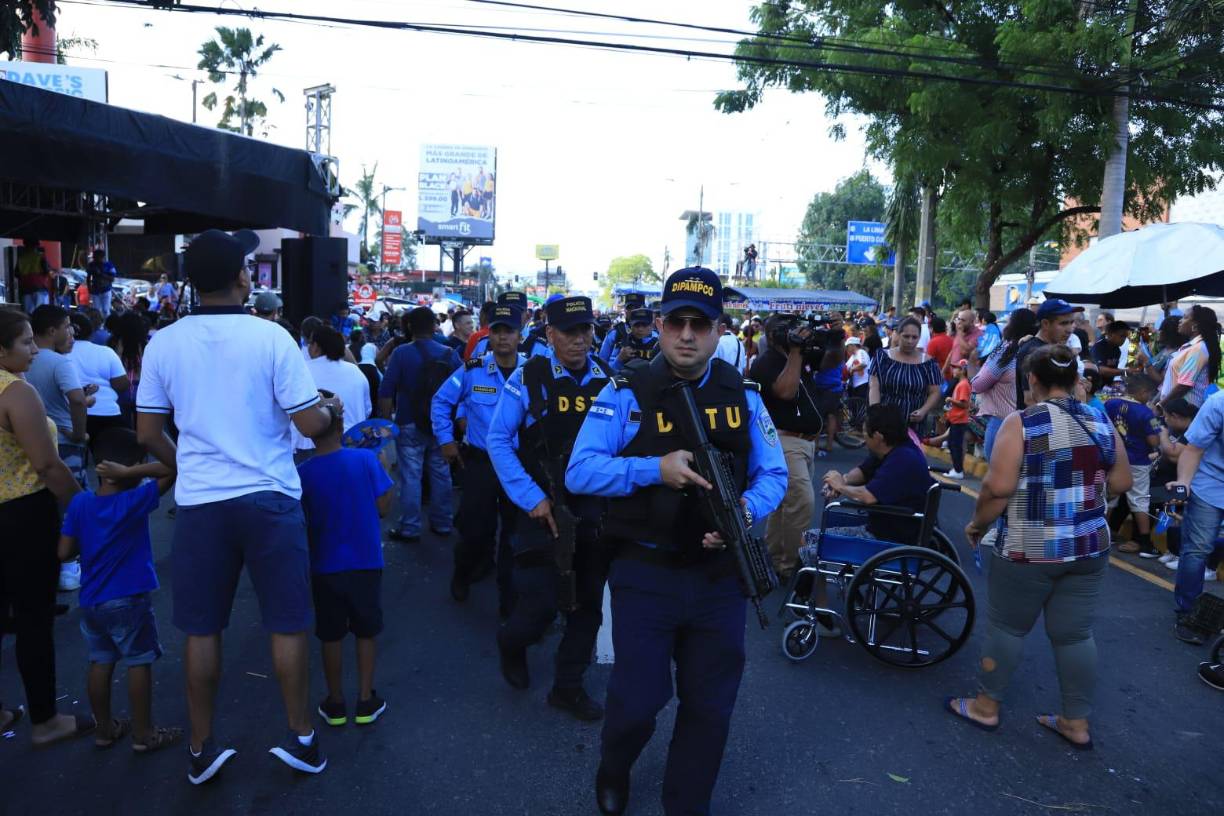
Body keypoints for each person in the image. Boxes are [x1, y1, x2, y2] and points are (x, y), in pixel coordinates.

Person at [564, 267, 787, 816]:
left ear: (717, 331)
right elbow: (580, 471)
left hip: (719, 579)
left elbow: (774, 475)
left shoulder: (746, 397)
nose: (687, 334)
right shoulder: (625, 392)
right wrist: (651, 469)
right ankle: (614, 766)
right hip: (646, 572)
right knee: (638, 702)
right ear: (660, 326)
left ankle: (687, 804)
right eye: (676, 322)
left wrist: (743, 510)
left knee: (710, 707)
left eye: (701, 324)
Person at [135, 229, 344, 783]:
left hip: (202, 503)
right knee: (288, 623)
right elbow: (307, 422)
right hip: (271, 496)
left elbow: (149, 431)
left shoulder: (163, 342)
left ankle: (201, 748)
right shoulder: (272, 339)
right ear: (242, 278)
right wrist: (328, 411)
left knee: (202, 630)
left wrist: (185, 465)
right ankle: (302, 736)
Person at [948, 344, 1130, 749]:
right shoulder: (1100, 420)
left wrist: (978, 524)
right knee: (1075, 635)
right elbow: (1120, 483)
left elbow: (997, 489)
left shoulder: (1022, 423)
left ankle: (985, 707)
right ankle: (1075, 722)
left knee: (1008, 628)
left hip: (1030, 547)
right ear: (1074, 379)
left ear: (1031, 379)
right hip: (1087, 546)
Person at [485, 295, 611, 721]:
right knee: (538, 606)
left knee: (588, 606)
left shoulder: (608, 381)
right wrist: (531, 498)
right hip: (541, 508)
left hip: (593, 513)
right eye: (569, 333)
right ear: (550, 334)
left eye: (585, 331)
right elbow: (498, 440)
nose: (579, 341)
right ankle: (512, 642)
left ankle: (568, 686)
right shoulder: (529, 376)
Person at [57, 428, 182, 752]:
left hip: (92, 601)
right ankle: (144, 734)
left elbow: (64, 552)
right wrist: (133, 473)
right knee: (138, 661)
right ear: (123, 468)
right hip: (129, 598)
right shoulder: (135, 499)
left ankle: (104, 729)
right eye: (138, 463)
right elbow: (175, 465)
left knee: (100, 661)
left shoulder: (81, 503)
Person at [0, 307, 89, 747]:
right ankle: (45, 719)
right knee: (34, 618)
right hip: (21, 517)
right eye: (26, 342)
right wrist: (82, 505)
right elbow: (47, 464)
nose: (35, 350)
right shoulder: (16, 392)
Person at [297, 405, 394, 728]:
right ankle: (366, 699)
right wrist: (383, 466)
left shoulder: (304, 473)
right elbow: (384, 507)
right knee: (366, 630)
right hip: (366, 560)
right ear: (342, 427)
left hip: (325, 564)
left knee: (331, 634)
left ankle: (335, 701)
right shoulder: (366, 460)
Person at [431, 303, 525, 614]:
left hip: (518, 465)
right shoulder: (472, 369)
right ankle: (463, 572)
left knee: (515, 534)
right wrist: (446, 441)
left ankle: (508, 600)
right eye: (496, 331)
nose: (502, 338)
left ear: (519, 335)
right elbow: (441, 401)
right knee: (474, 528)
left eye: (508, 331)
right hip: (480, 462)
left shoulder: (534, 371)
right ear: (489, 333)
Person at [749, 314, 827, 579]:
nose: (795, 333)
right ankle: (792, 566)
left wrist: (835, 336)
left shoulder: (799, 355)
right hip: (785, 442)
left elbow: (831, 361)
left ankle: (772, 558)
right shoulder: (765, 362)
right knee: (802, 502)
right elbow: (786, 392)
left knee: (785, 504)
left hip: (804, 443)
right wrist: (795, 351)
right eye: (787, 329)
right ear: (772, 336)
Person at [379, 306, 462, 542]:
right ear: (434, 326)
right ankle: (443, 522)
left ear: (410, 327)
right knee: (441, 472)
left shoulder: (401, 353)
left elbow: (386, 390)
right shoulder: (449, 353)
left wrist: (387, 424)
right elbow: (462, 390)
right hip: (441, 426)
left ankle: (410, 526)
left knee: (410, 476)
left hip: (408, 422)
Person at [815, 403, 935, 542]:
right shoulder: (890, 448)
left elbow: (868, 496)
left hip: (890, 536)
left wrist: (840, 487)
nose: (863, 437)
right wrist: (843, 480)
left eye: (865, 432)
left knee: (808, 539)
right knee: (814, 536)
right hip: (883, 524)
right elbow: (863, 471)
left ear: (878, 436)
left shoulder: (902, 459)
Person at [1166, 388, 1224, 645]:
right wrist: (1184, 485)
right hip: (1210, 485)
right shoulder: (1218, 403)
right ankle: (1189, 614)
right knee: (1197, 550)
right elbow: (1193, 449)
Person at [1104, 375, 1161, 557]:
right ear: (1143, 392)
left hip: (1114, 456)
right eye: (1150, 395)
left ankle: (1103, 534)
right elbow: (1154, 440)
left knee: (1109, 496)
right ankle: (1144, 542)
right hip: (1137, 460)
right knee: (1139, 500)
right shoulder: (1146, 413)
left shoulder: (1111, 404)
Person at [295, 326, 372, 456]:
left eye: (309, 343)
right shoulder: (355, 371)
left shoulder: (302, 371)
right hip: (353, 442)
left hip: (311, 445)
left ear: (315, 347)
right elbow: (367, 409)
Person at [972, 308, 1038, 460]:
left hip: (1002, 421)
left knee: (998, 474)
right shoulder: (1040, 350)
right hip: (1034, 423)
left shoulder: (1007, 351)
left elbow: (979, 384)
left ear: (1013, 326)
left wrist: (971, 364)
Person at [868, 316, 942, 431]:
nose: (910, 341)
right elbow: (874, 385)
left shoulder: (929, 363)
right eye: (906, 336)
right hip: (884, 420)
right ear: (897, 334)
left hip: (914, 423)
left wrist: (923, 411)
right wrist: (875, 412)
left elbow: (935, 392)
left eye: (914, 337)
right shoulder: (882, 356)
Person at [67, 312, 130, 447]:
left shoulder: (57, 354)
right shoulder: (105, 352)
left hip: (70, 417)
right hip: (107, 413)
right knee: (111, 461)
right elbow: (122, 384)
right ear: (91, 333)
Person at [1150, 398, 1196, 571]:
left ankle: (1178, 552)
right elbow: (1152, 420)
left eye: (1167, 417)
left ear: (1176, 416)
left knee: (1177, 517)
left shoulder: (1192, 431)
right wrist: (1155, 410)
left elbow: (1172, 453)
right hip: (1166, 480)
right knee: (1166, 513)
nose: (1165, 420)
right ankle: (1169, 548)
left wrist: (1163, 435)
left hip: (1182, 481)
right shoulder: (1173, 427)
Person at [1015, 299, 1082, 410]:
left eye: (1071, 322)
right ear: (1045, 323)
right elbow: (1029, 399)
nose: (1070, 329)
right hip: (1040, 423)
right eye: (1063, 323)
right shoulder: (1031, 351)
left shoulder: (1062, 350)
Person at [1158, 304, 1221, 411]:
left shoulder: (1198, 349)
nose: (1180, 321)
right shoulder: (1190, 347)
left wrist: (1160, 405)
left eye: (1185, 317)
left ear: (1195, 326)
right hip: (1175, 409)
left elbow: (1184, 385)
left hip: (1185, 412)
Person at [599, 293, 647, 362]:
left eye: (637, 308)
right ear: (625, 310)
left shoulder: (655, 335)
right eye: (629, 308)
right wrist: (619, 359)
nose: (632, 311)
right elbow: (601, 365)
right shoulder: (614, 334)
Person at [945, 359, 972, 479]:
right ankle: (956, 468)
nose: (954, 370)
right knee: (952, 444)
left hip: (960, 420)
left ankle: (958, 470)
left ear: (963, 370)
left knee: (955, 445)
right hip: (956, 419)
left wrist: (951, 400)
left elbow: (964, 404)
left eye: (957, 368)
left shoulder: (964, 384)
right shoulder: (961, 384)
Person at [612, 308, 660, 372]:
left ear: (652, 325)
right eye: (636, 325)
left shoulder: (660, 342)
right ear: (631, 325)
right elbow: (610, 371)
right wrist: (619, 359)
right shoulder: (623, 343)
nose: (640, 329)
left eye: (644, 325)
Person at [16, 242, 53, 314]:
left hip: (26, 289)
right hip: (40, 289)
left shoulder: (21, 258)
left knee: (28, 314)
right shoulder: (41, 256)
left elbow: (16, 274)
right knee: (42, 313)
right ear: (37, 246)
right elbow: (46, 270)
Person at [86, 249, 118, 318]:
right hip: (95, 290)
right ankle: (99, 324)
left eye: (95, 257)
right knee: (96, 310)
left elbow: (112, 279)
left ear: (101, 257)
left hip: (106, 290)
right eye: (93, 257)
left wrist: (101, 274)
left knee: (105, 310)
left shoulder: (109, 265)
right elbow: (88, 277)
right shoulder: (91, 265)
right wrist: (89, 287)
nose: (94, 259)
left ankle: (107, 324)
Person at [845, 334, 870, 404]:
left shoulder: (861, 352)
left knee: (865, 406)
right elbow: (845, 368)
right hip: (856, 386)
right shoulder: (852, 357)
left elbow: (863, 364)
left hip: (864, 384)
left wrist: (852, 369)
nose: (846, 349)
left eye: (848, 346)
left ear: (853, 345)